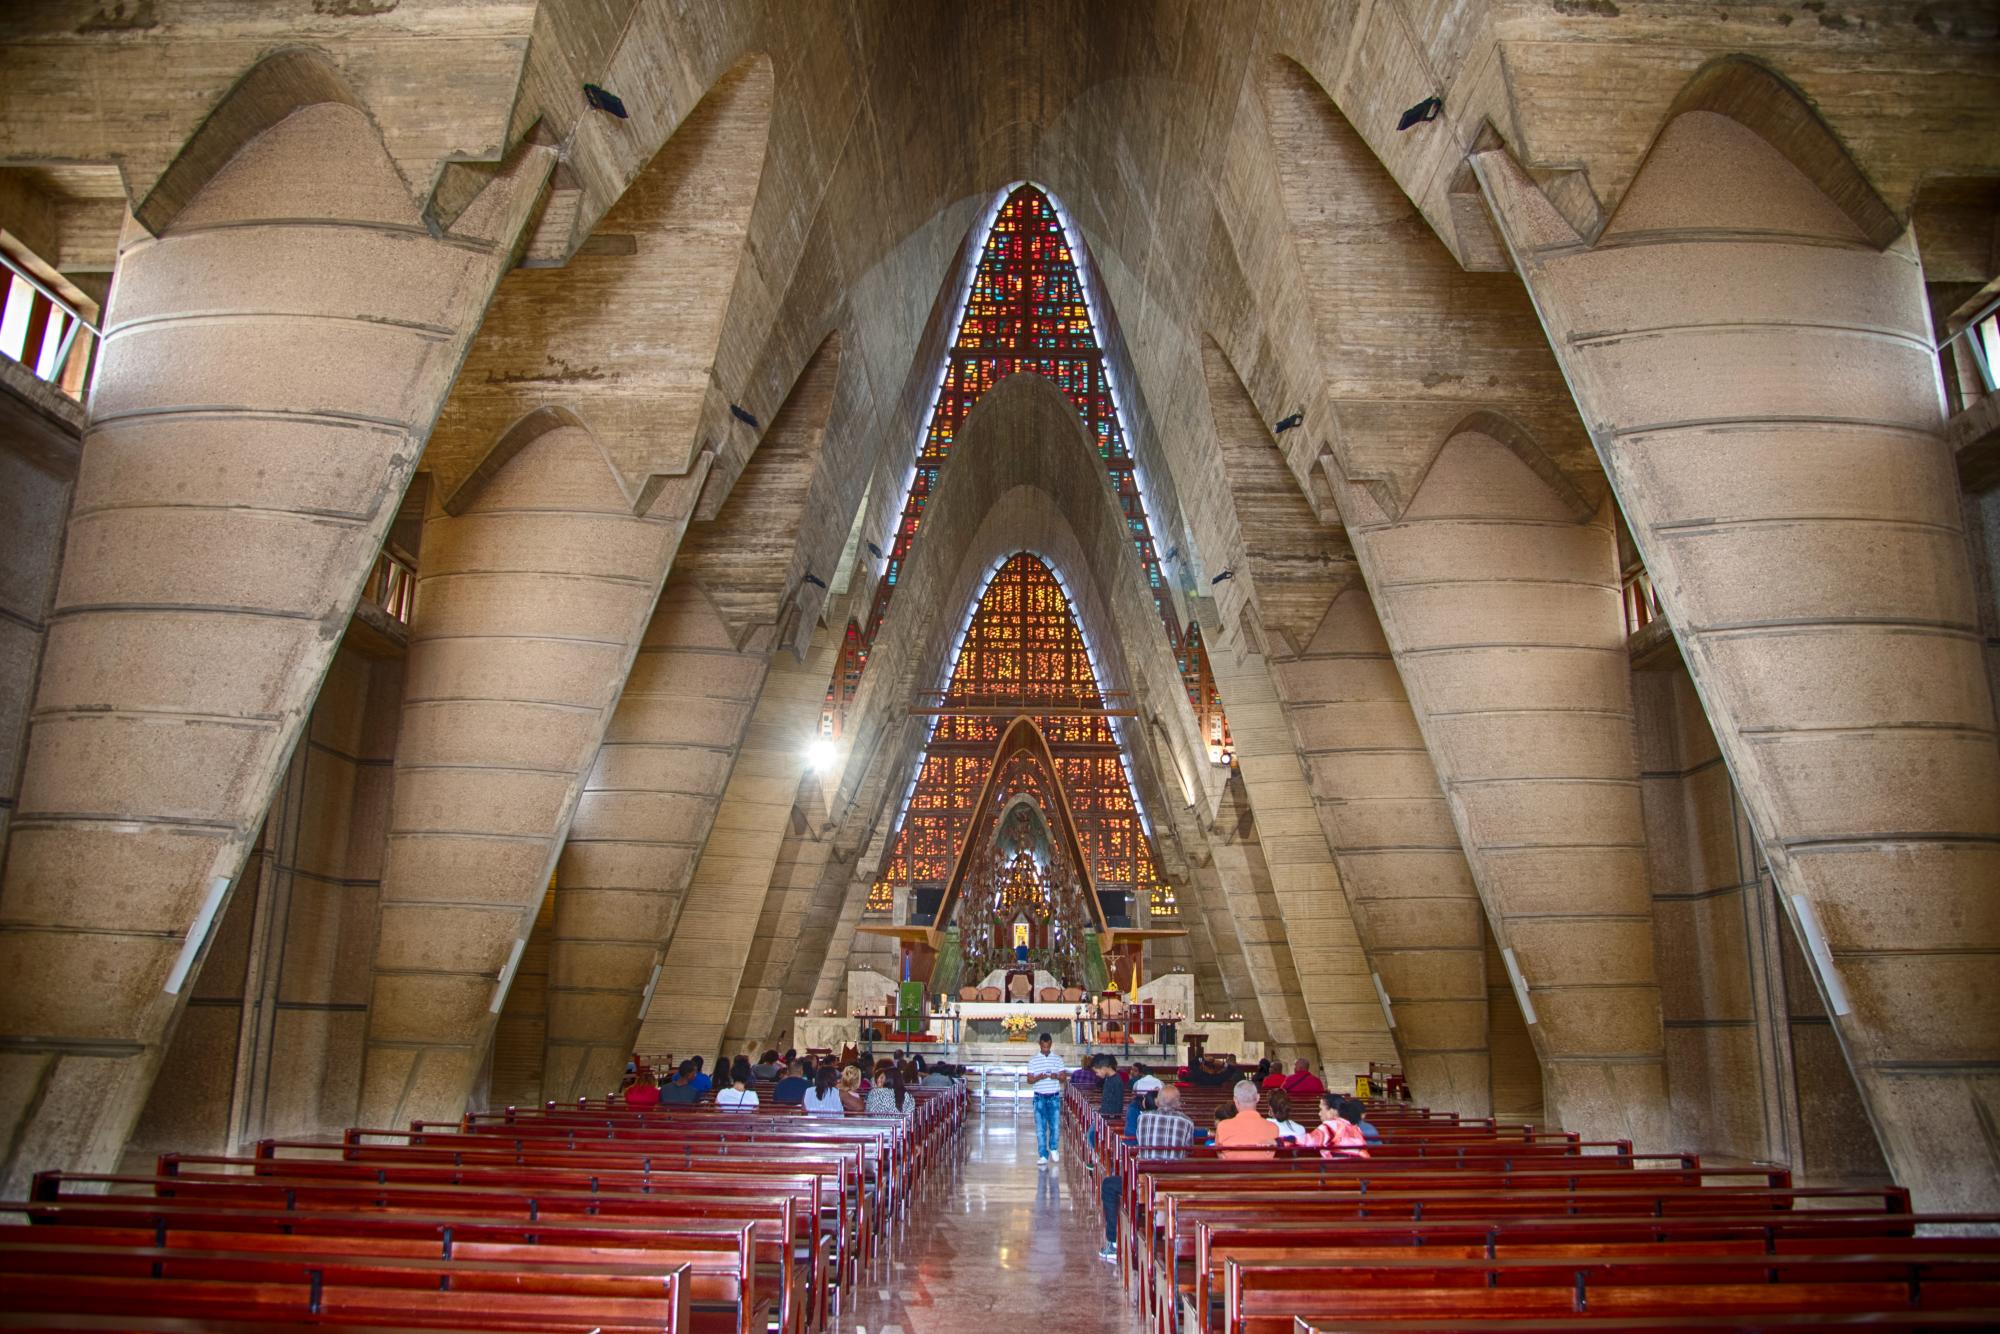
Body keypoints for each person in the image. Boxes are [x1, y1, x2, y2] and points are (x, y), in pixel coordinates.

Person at [1104, 1086, 1197, 1264]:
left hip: (1143, 1184)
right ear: (1178, 1103)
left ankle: (1113, 1243)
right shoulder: (1187, 1123)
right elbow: (1188, 1149)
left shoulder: (1143, 1118)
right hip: (1173, 1184)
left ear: (1157, 1101)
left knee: (1109, 1185)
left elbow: (1140, 1141)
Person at [1026, 1032, 1068, 1164]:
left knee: (1055, 1125)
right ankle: (1043, 1154)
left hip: (1054, 1096)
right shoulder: (1033, 1060)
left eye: (1048, 1047)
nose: (1046, 1049)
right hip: (1039, 1097)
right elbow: (1029, 1079)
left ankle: (1054, 1148)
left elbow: (1063, 1078)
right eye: (1044, 1047)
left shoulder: (1057, 1059)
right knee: (1040, 1127)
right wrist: (1039, 1077)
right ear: (1040, 1045)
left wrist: (1056, 1076)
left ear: (1051, 1044)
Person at [1214, 1080, 1276, 1158]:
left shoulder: (1222, 1127)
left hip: (1233, 1170)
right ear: (1258, 1098)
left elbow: (1220, 1156)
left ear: (1235, 1100)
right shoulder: (1273, 1128)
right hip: (1262, 1170)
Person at [1302, 1090, 1369, 1159]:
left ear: (1332, 1111)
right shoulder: (1355, 1127)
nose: (1319, 1114)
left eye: (1321, 1109)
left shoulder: (1329, 1126)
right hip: (1360, 1165)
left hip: (1338, 1167)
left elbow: (1308, 1142)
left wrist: (1292, 1139)